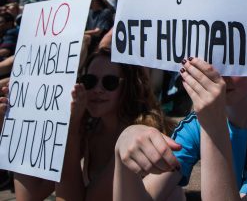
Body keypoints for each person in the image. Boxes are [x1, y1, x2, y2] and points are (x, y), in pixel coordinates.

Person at [114, 58, 247, 200]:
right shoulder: (195, 124)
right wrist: (123, 154)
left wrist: (213, 125)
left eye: (234, 60)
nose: (220, 75)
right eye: (211, 61)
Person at [2, 47, 171, 200]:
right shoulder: (91, 128)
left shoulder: (140, 132)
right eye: (90, 81)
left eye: (109, 82)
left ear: (129, 88)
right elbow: (32, 195)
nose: (97, 89)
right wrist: (16, 119)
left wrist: (72, 129)